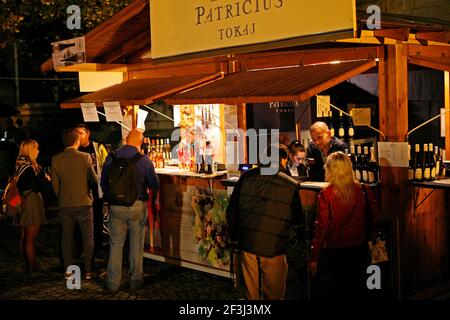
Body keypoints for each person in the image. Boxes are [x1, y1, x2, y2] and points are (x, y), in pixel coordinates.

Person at [226, 144, 302, 300]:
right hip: (273, 247)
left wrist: (235, 238)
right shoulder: (290, 184)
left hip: (247, 244)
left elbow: (231, 210)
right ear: (283, 159)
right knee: (274, 294)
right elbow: (298, 219)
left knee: (251, 295)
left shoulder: (246, 177)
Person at [309, 152, 379, 299]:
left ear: (329, 169)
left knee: (340, 288)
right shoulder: (364, 190)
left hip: (336, 248)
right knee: (360, 287)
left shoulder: (325, 194)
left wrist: (314, 257)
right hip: (360, 245)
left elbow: (321, 227)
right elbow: (375, 218)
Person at [100, 129, 159, 293]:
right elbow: (154, 184)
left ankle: (112, 283)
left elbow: (103, 182)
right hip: (136, 206)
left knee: (116, 244)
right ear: (141, 142)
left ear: (126, 139)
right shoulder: (144, 160)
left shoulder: (111, 157)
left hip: (116, 207)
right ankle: (135, 280)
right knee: (136, 244)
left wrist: (112, 197)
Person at [51, 128, 98, 280]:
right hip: (83, 202)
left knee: (66, 238)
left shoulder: (56, 158)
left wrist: (61, 197)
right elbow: (95, 180)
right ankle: (89, 271)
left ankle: (68, 270)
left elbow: (55, 185)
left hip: (65, 203)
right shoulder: (85, 157)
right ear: (77, 141)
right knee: (88, 237)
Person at [75, 124, 108, 259]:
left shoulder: (97, 147)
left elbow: (105, 165)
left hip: (95, 189)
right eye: (76, 133)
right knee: (79, 220)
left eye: (81, 133)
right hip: (80, 190)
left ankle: (97, 246)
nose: (78, 136)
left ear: (88, 134)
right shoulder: (74, 149)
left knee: (97, 218)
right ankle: (81, 247)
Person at [14, 139, 48, 274]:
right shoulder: (29, 168)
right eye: (36, 148)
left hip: (22, 201)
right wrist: (43, 178)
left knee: (23, 235)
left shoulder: (19, 165)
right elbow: (37, 186)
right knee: (30, 238)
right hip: (31, 202)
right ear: (31, 150)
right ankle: (33, 266)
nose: (38, 151)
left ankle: (26, 263)